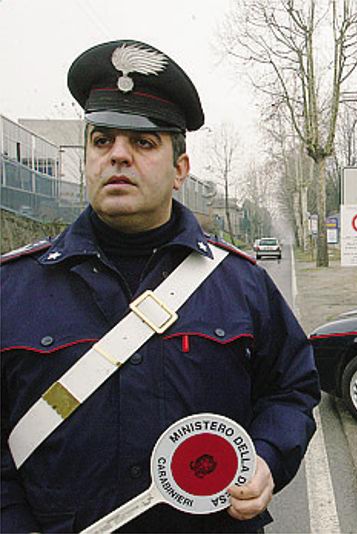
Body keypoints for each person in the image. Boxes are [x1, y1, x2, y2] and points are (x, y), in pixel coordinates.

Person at [0, 40, 320, 532]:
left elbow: (292, 389)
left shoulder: (241, 284)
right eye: (102, 140)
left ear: (180, 170)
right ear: (87, 158)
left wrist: (267, 460)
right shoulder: (12, 289)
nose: (119, 156)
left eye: (143, 143)